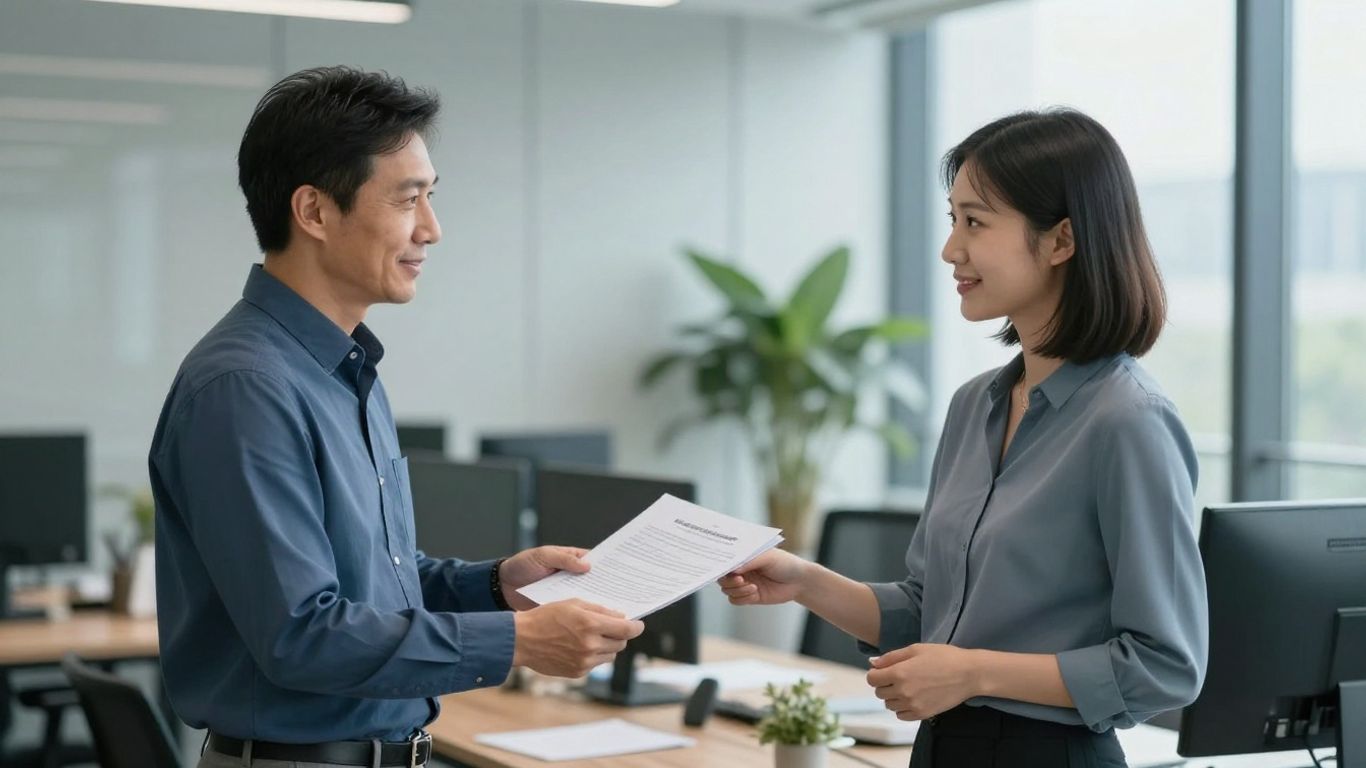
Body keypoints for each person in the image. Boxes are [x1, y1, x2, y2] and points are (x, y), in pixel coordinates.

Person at [149, 66, 643, 768]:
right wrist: (519, 643)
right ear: (315, 212)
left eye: (430, 198)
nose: (431, 230)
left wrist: (496, 585)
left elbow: (375, 585)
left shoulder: (343, 369)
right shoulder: (246, 388)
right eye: (409, 200)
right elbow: (301, 635)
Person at [719, 109, 1207, 768]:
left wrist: (974, 672)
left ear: (1061, 240)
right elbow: (929, 614)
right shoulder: (974, 406)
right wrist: (804, 582)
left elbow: (1165, 667)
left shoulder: (1129, 422)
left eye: (975, 222)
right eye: (953, 220)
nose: (951, 249)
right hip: (943, 749)